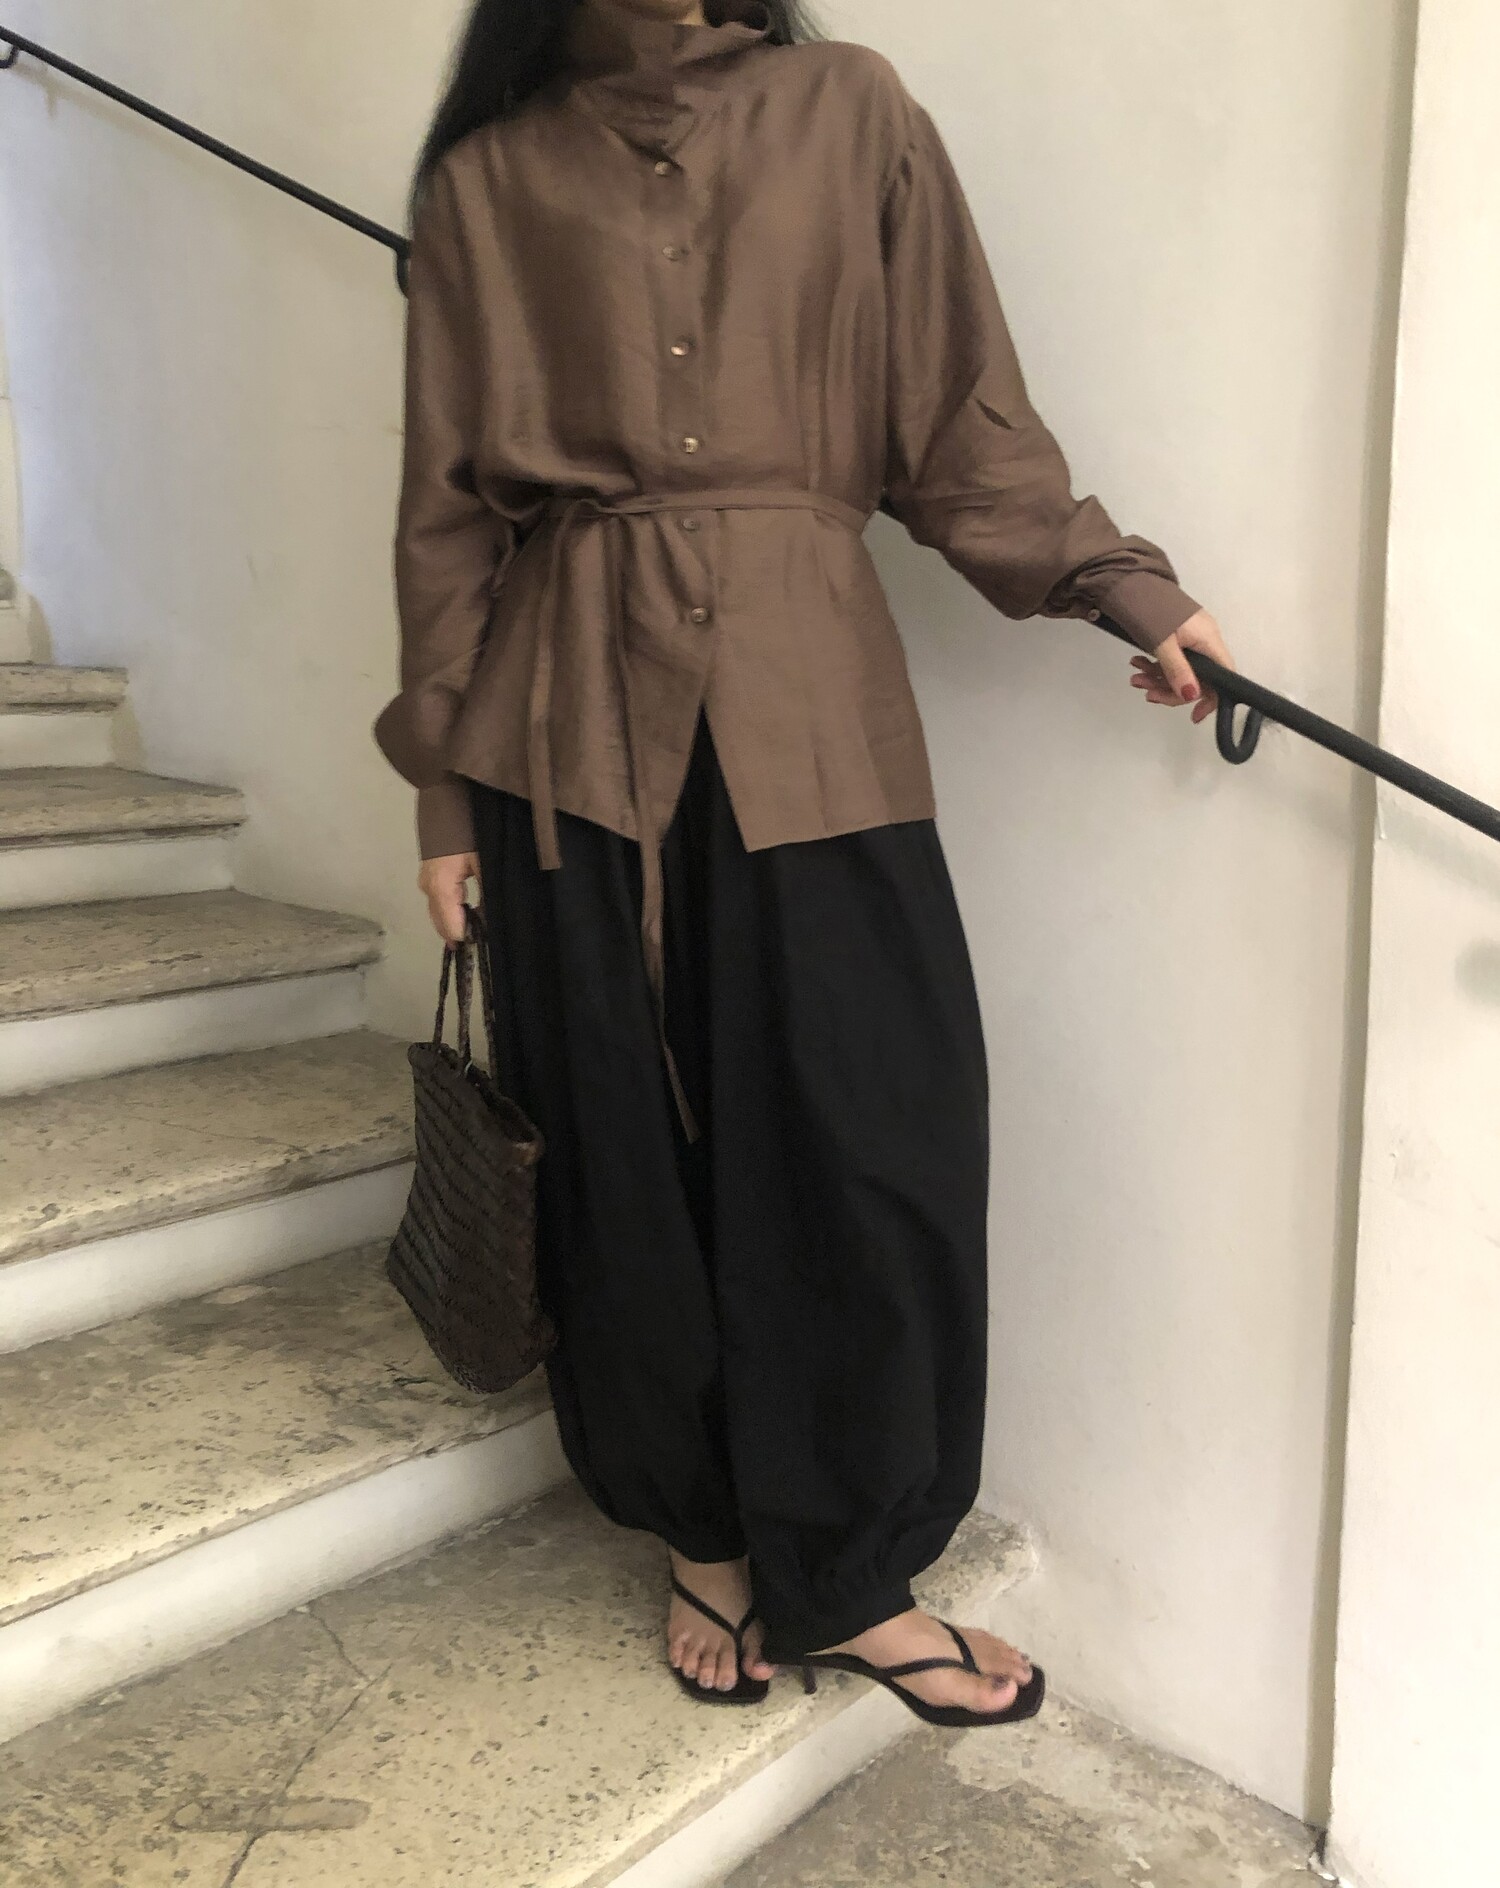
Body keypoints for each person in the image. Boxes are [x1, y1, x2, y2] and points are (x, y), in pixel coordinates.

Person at [375, 0, 1234, 1725]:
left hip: (809, 699)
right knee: (615, 1145)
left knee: (872, 1131)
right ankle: (699, 1531)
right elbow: (451, 514)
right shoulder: (485, 180)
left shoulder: (852, 112)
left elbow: (962, 424)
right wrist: (443, 797)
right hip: (563, 732)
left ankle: (850, 1569)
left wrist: (1123, 589)